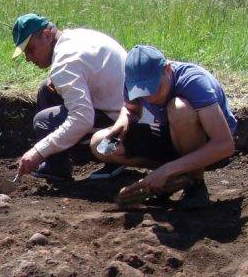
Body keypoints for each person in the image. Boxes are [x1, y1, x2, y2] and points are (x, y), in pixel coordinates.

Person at [90, 44, 237, 209]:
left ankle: (195, 183)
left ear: (167, 69)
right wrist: (123, 121)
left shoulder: (194, 81)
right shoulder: (134, 79)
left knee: (179, 108)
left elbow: (225, 145)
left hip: (209, 148)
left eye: (154, 88)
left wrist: (167, 170)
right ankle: (175, 179)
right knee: (99, 143)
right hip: (170, 134)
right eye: (142, 91)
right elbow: (131, 109)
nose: (150, 97)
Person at [11, 13, 128, 183]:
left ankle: (113, 155)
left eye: (31, 49)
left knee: (43, 122)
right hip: (130, 108)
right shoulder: (75, 37)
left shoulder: (64, 63)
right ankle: (56, 166)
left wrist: (39, 151)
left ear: (47, 35)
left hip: (125, 124)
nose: (28, 58)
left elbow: (82, 119)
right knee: (47, 90)